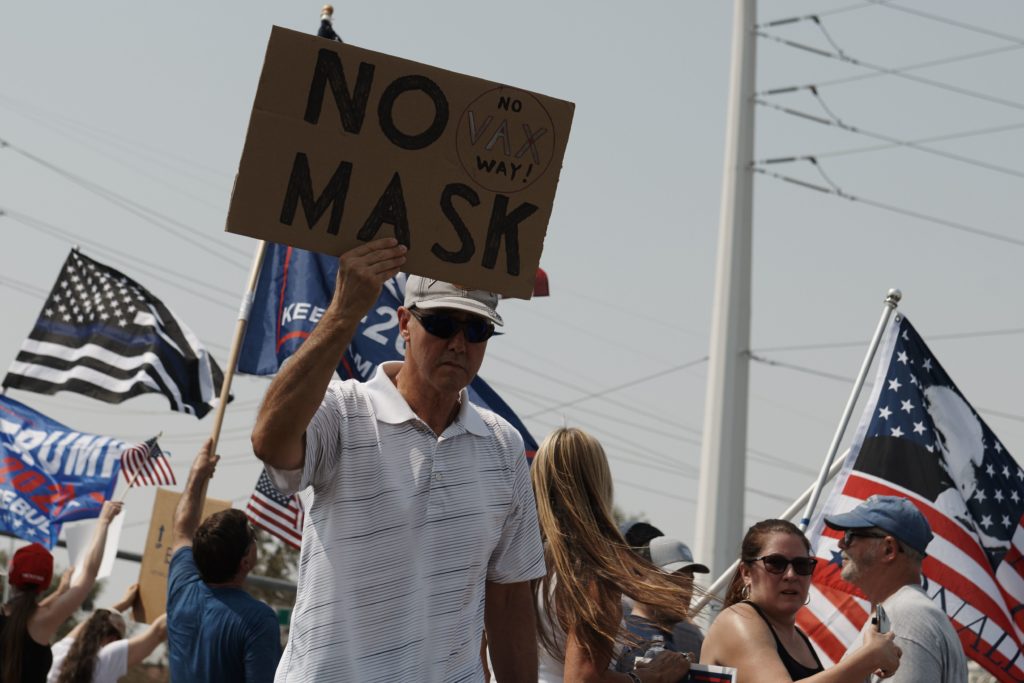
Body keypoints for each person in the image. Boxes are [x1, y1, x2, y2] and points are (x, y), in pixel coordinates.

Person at [251, 239, 546, 682]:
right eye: (443, 322)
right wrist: (343, 313)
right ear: (404, 324)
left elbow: (508, 600)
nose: (459, 343)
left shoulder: (503, 446)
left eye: (478, 330)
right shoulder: (341, 410)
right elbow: (270, 441)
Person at [532, 427, 693, 683]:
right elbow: (582, 679)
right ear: (600, 481)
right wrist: (648, 676)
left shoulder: (511, 558)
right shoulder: (591, 573)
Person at [700, 519, 902, 682]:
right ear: (746, 573)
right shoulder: (737, 620)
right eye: (775, 563)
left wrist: (867, 669)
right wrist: (868, 658)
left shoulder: (798, 637)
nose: (790, 574)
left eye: (801, 565)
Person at [166, 438, 281, 682]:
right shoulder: (258, 620)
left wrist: (196, 475)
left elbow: (181, 530)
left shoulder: (182, 590)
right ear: (245, 561)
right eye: (253, 538)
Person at [825, 495, 968, 682]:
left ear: (888, 549)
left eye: (851, 535)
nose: (841, 544)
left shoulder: (903, 615)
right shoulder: (896, 612)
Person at [0, 500, 123, 683]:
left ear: (11, 576)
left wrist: (58, 594)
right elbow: (89, 573)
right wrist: (104, 522)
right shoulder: (45, 620)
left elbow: (21, 617)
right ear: (45, 582)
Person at [48, 582, 167, 683]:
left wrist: (124, 603)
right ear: (112, 639)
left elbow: (92, 620)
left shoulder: (60, 652)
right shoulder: (106, 659)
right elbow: (159, 632)